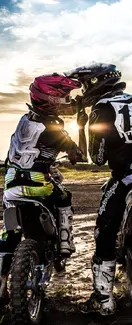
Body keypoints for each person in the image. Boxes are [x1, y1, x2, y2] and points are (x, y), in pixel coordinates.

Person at [65, 62, 132, 316]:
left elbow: (98, 158)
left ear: (96, 82)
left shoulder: (102, 110)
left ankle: (103, 301)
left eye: (84, 84)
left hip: (125, 176)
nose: (82, 90)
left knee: (104, 231)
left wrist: (83, 126)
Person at [1, 73, 83, 269]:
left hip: (11, 184)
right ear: (51, 99)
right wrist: (77, 144)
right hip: (38, 183)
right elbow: (74, 153)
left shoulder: (24, 120)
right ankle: (65, 243)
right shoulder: (55, 127)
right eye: (63, 96)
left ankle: (2, 280)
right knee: (64, 197)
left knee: (9, 232)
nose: (66, 101)